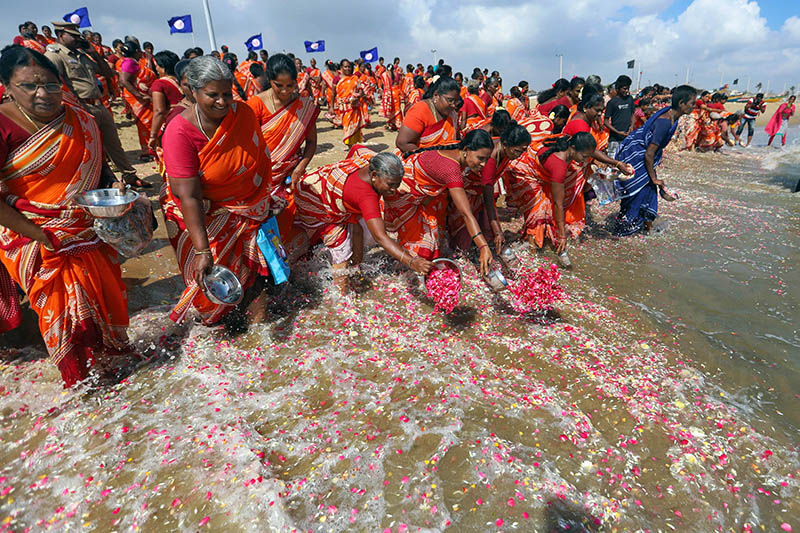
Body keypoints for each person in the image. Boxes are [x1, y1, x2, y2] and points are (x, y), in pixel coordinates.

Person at [0, 45, 132, 386]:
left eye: (50, 84)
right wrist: (39, 234)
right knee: (63, 309)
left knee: (102, 297)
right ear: (7, 87)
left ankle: (112, 368)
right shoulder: (2, 126)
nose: (43, 94)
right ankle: (80, 383)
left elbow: (96, 167)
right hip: (30, 233)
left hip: (84, 225)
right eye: (29, 86)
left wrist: (113, 188)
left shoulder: (80, 119)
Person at [160, 56, 276, 329]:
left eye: (227, 94)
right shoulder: (179, 132)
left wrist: (260, 200)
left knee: (253, 276)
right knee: (210, 288)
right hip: (201, 215)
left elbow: (259, 158)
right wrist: (202, 250)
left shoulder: (243, 114)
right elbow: (187, 195)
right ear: (193, 91)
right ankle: (217, 325)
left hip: (247, 209)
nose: (223, 102)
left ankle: (258, 331)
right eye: (213, 95)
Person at [294, 149, 432, 290]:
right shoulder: (366, 196)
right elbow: (380, 237)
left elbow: (358, 148)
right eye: (390, 184)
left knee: (357, 230)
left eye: (397, 184)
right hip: (314, 199)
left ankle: (355, 270)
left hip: (319, 183)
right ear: (374, 175)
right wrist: (411, 262)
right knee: (342, 250)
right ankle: (342, 296)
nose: (394, 190)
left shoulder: (370, 161)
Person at [45, 22, 147, 188]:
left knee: (114, 144)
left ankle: (130, 177)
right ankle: (95, 183)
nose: (78, 39)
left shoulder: (81, 55)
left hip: (100, 105)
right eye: (74, 36)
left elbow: (108, 73)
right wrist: (76, 106)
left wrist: (95, 54)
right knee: (89, 148)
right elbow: (57, 84)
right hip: (81, 107)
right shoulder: (55, 56)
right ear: (61, 35)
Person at [384, 129, 495, 274]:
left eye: (486, 159)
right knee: (422, 248)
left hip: (429, 196)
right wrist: (483, 246)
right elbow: (466, 213)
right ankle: (405, 272)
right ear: (467, 150)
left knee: (435, 241)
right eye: (481, 158)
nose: (483, 164)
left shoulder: (458, 149)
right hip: (405, 193)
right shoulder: (451, 169)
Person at [615, 85, 698, 235]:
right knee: (638, 194)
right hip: (638, 158)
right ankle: (624, 232)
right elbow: (649, 154)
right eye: (692, 103)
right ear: (681, 103)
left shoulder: (671, 117)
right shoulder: (665, 121)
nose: (694, 107)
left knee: (648, 195)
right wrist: (654, 178)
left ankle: (644, 230)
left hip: (643, 158)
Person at [503, 132, 597, 262]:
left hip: (540, 173)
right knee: (539, 211)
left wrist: (616, 164)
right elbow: (558, 204)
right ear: (573, 148)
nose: (585, 161)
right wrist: (562, 235)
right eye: (584, 156)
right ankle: (532, 252)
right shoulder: (559, 165)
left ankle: (540, 241)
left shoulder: (567, 145)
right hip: (524, 173)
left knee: (548, 208)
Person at [448, 121, 531, 253]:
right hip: (467, 191)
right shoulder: (489, 161)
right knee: (464, 234)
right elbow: (488, 199)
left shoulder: (503, 151)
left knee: (485, 228)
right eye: (516, 151)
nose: (518, 156)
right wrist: (498, 231)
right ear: (505, 145)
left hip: (479, 192)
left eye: (521, 152)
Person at [248, 53, 319, 200]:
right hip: (260, 177)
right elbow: (246, 145)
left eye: (290, 85)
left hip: (291, 175)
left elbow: (311, 142)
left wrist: (300, 168)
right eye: (279, 85)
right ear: (269, 79)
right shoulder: (256, 105)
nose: (285, 91)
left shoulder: (303, 106)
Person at [396, 77, 460, 152]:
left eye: (456, 101)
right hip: (418, 158)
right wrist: (431, 158)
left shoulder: (452, 114)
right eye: (450, 100)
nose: (453, 105)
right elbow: (402, 143)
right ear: (436, 95)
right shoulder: (420, 110)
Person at [118, 40, 157, 160]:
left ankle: (150, 150)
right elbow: (124, 81)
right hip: (140, 100)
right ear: (135, 52)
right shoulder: (129, 62)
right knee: (146, 125)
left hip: (143, 98)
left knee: (147, 124)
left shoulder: (133, 62)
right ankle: (148, 151)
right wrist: (140, 95)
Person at [148, 50, 183, 151]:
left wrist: (153, 135)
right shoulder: (184, 82)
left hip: (172, 124)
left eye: (156, 66)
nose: (156, 69)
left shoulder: (159, 84)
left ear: (163, 67)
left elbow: (159, 111)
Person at [335, 59, 365, 148]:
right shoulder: (338, 79)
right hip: (344, 107)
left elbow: (362, 91)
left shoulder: (355, 78)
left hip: (354, 106)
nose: (347, 68)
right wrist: (332, 108)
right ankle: (349, 144)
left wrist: (358, 96)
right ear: (341, 68)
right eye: (345, 67)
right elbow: (333, 93)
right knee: (347, 126)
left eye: (349, 67)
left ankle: (352, 146)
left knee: (355, 127)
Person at [604, 75, 634, 157]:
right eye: (624, 88)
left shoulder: (630, 99)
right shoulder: (612, 103)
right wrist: (617, 132)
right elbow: (605, 122)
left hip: (627, 137)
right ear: (618, 88)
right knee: (613, 162)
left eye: (628, 88)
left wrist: (631, 126)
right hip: (615, 139)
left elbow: (633, 113)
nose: (627, 91)